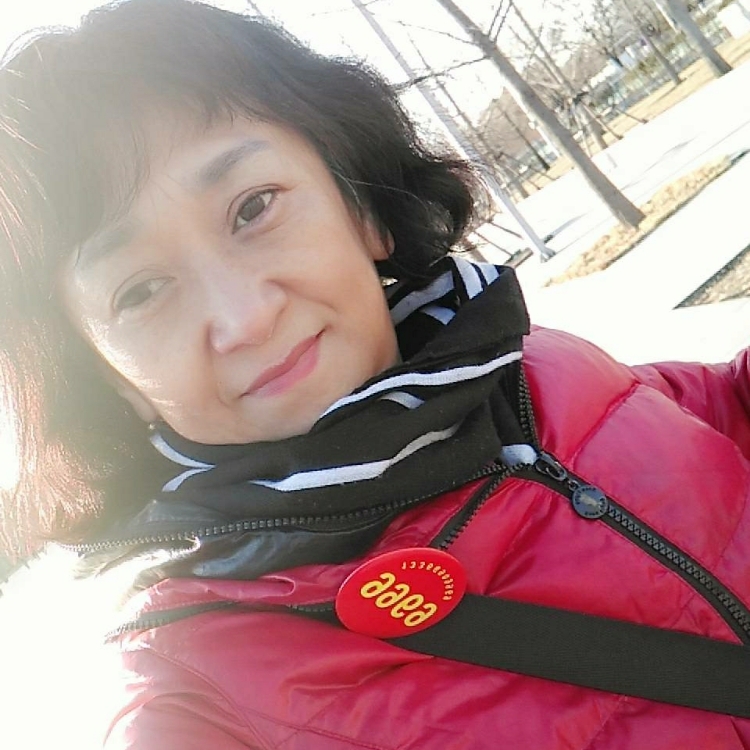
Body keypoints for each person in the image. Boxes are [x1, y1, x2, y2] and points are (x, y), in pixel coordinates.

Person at [1, 0, 750, 747]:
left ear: (360, 206)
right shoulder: (199, 693)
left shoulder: (529, 365)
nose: (245, 317)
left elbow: (721, 408)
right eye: (140, 291)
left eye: (253, 208)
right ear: (109, 381)